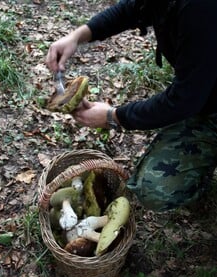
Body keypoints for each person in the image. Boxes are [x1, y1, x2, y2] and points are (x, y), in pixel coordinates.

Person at [46, 0, 217, 211]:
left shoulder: (201, 9)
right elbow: (134, 8)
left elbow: (182, 100)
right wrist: (77, 36)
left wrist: (113, 117)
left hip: (198, 98)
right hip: (204, 99)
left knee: (158, 189)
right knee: (153, 189)